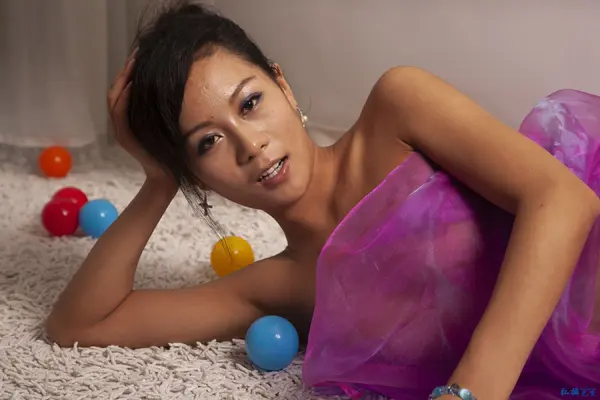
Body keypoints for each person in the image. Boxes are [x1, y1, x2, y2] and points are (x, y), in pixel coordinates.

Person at [45, 2, 600, 400]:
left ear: (283, 86)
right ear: (198, 177)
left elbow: (564, 199)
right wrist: (159, 180)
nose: (250, 144)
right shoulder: (279, 287)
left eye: (250, 103)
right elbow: (81, 326)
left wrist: (469, 391)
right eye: (207, 143)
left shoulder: (397, 110)